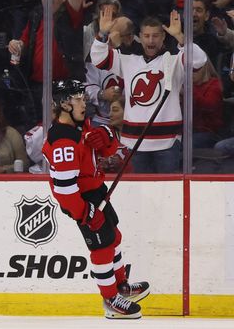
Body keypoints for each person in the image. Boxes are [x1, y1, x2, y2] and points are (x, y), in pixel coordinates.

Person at [43, 79, 150, 319]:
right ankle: (110, 299)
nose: (85, 102)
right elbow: (64, 189)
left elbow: (110, 150)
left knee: (114, 236)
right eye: (78, 99)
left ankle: (121, 285)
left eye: (83, 97)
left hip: (96, 190)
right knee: (101, 246)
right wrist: (84, 212)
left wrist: (107, 136)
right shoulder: (63, 140)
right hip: (81, 199)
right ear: (64, 104)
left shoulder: (81, 126)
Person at [91, 9, 208, 173]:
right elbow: (98, 59)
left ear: (163, 37)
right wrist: (103, 33)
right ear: (140, 36)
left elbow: (199, 60)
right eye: (146, 36)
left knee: (166, 193)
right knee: (141, 195)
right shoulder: (129, 60)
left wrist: (180, 37)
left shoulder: (174, 61)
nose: (151, 40)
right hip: (134, 142)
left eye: (155, 35)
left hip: (167, 142)